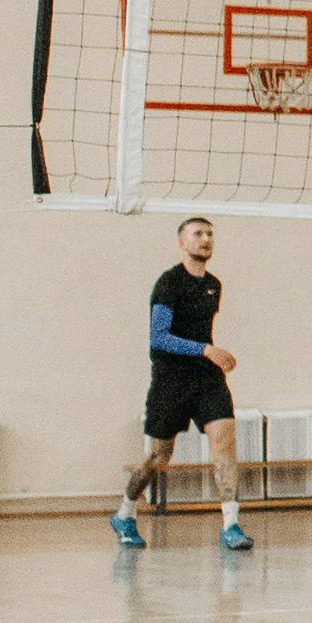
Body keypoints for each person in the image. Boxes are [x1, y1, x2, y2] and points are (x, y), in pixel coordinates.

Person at [112, 215, 251, 554]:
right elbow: (158, 338)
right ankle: (125, 513)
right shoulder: (168, 283)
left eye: (210, 234)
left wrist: (209, 357)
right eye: (198, 234)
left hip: (206, 379)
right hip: (170, 381)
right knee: (158, 459)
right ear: (182, 242)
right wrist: (207, 349)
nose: (205, 239)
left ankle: (231, 524)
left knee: (224, 441)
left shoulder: (214, 284)